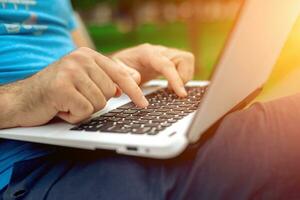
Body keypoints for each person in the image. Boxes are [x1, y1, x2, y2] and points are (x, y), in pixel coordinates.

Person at [1, 1, 300, 199]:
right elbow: (36, 87)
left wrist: (117, 68)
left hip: (95, 136)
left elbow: (83, 59)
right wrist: (24, 98)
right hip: (27, 174)